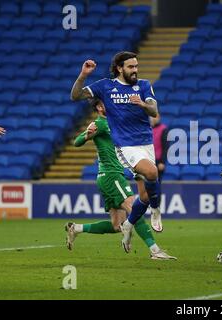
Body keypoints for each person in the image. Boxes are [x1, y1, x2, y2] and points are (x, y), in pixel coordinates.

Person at [70, 52, 163, 252]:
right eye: (131, 67)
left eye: (136, 66)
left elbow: (154, 111)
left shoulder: (144, 85)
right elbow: (75, 96)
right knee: (152, 173)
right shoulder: (105, 86)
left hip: (145, 143)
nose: (135, 70)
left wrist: (143, 104)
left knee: (143, 198)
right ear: (120, 68)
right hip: (126, 146)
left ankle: (128, 224)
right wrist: (83, 75)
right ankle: (156, 214)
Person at [65, 98, 176, 260]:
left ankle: (76, 228)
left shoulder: (115, 122)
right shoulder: (100, 124)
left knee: (117, 225)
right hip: (111, 175)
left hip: (111, 176)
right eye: (101, 104)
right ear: (98, 108)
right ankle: (155, 250)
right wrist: (87, 135)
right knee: (134, 211)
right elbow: (77, 142)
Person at [150, 113, 169, 181]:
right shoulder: (148, 128)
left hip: (158, 160)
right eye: (152, 116)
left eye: (155, 117)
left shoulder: (163, 129)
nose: (153, 118)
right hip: (149, 159)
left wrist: (162, 162)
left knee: (157, 183)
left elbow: (165, 147)